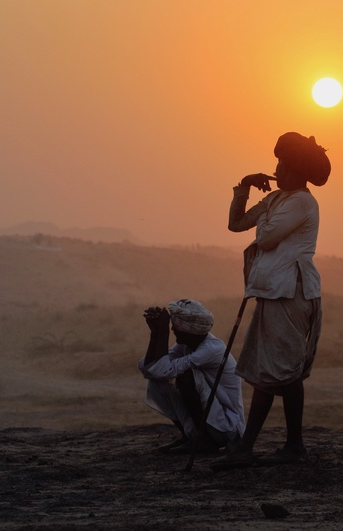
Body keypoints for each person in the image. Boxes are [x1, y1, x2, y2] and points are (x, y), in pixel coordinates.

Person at [211, 132, 330, 470]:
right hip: (274, 291)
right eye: (277, 163)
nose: (276, 170)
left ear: (296, 170)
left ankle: (273, 447)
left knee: (281, 370)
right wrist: (244, 187)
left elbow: (264, 238)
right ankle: (267, 447)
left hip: (292, 293)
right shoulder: (279, 199)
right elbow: (236, 224)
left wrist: (265, 212)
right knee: (274, 370)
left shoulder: (302, 203)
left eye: (282, 165)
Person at [137, 299, 245, 455]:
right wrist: (155, 334)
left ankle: (204, 441)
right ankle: (190, 437)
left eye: (176, 326)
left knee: (186, 377)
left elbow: (162, 370)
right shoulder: (187, 345)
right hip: (210, 420)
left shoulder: (210, 349)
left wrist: (164, 331)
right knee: (157, 381)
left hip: (226, 426)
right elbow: (150, 370)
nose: (173, 328)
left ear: (189, 330)